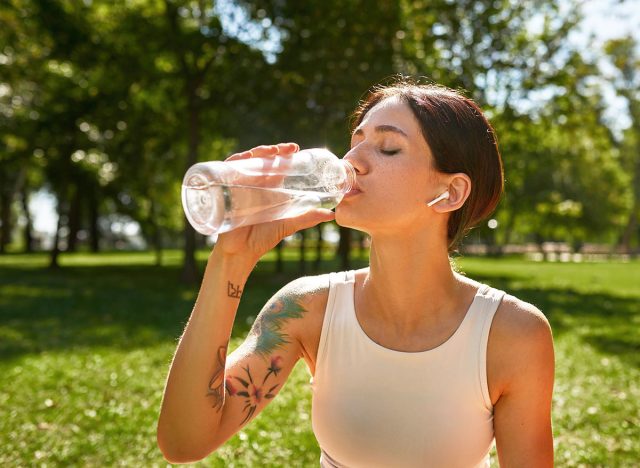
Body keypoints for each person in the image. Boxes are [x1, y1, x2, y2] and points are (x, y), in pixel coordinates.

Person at [157, 80, 555, 467]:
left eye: (387, 148)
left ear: (449, 192)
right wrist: (232, 258)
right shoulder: (305, 309)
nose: (352, 162)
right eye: (355, 143)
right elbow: (184, 442)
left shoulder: (513, 334)